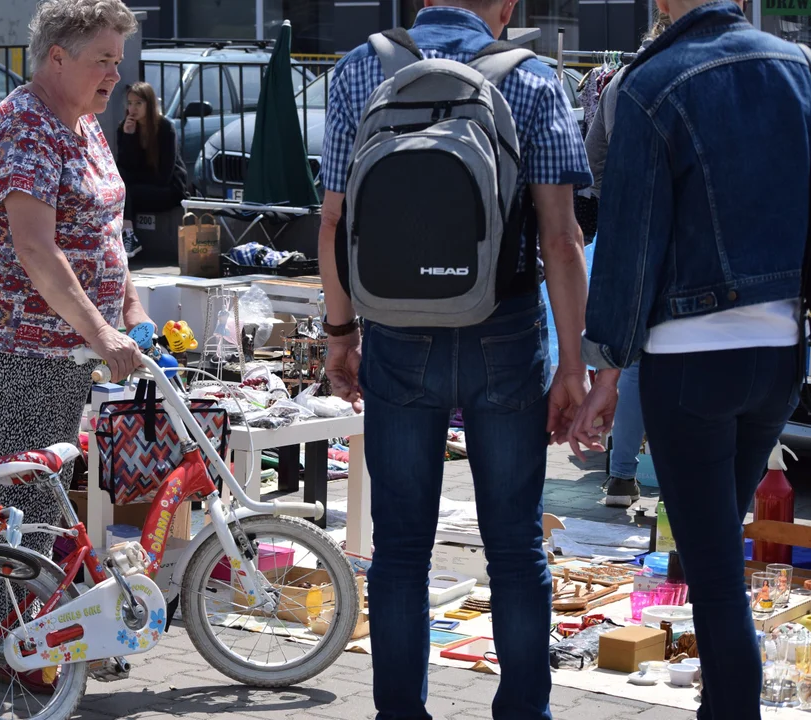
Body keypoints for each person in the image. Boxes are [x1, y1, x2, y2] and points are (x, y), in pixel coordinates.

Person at [318, 0, 592, 717]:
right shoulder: (531, 78)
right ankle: (522, 711)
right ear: (501, 6)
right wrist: (573, 366)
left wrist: (340, 335)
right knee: (513, 546)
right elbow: (560, 237)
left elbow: (333, 221)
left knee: (402, 549)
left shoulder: (360, 68)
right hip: (504, 330)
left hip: (396, 331)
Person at [570, 0, 810, 716]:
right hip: (776, 351)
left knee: (711, 568)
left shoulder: (650, 84)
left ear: (663, 5)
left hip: (689, 357)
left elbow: (627, 239)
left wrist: (605, 367)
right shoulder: (798, 68)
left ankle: (728, 706)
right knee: (718, 546)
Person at [0, 0, 151, 686]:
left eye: (119, 62)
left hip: (64, 343)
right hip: (20, 340)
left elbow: (99, 228)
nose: (114, 75)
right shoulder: (24, 128)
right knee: (32, 496)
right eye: (103, 59)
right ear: (56, 56)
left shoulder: (81, 122)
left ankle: (46, 633)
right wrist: (99, 329)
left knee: (47, 491)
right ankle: (25, 648)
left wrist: (127, 302)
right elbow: (35, 248)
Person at [583, 12, 670, 508]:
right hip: (688, 243)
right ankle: (674, 478)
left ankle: (620, 476)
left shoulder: (620, 82)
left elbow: (593, 154)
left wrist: (606, 202)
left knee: (631, 356)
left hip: (628, 231)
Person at [116, 80, 188, 259]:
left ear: (150, 104)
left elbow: (164, 175)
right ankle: (127, 236)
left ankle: (127, 235)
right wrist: (129, 137)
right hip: (139, 189)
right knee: (120, 185)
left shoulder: (165, 128)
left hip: (168, 189)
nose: (133, 109)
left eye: (138, 103)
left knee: (127, 191)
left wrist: (135, 178)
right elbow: (125, 167)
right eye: (130, 103)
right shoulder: (124, 127)